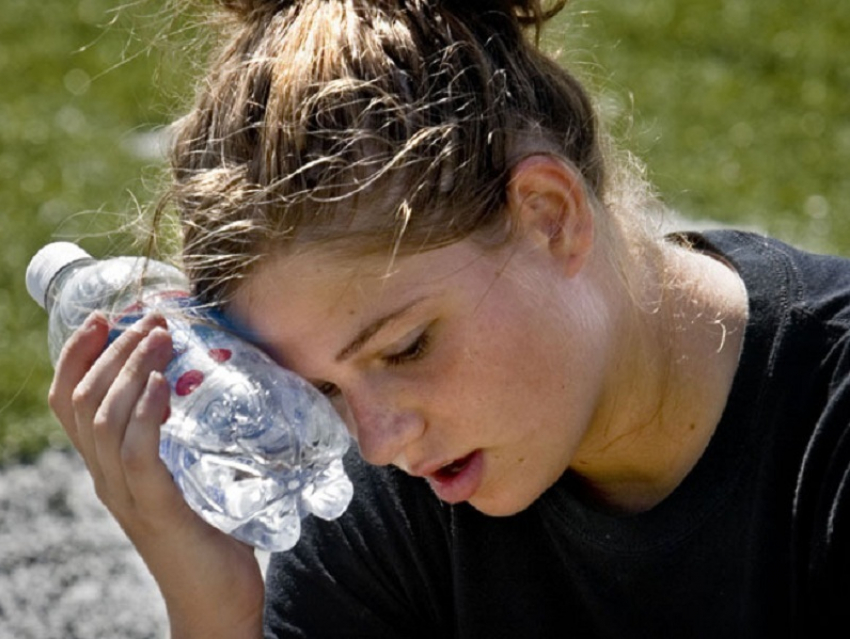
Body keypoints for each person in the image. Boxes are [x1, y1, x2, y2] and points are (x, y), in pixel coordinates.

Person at [46, 0, 850, 636]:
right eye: (320, 388)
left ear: (549, 216)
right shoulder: (393, 494)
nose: (377, 440)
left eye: (406, 347)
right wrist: (217, 613)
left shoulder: (829, 422)